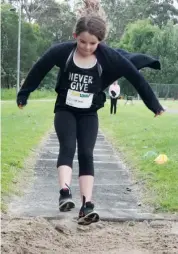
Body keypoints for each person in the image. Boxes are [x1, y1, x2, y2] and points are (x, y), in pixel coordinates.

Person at [16, 0, 164, 225]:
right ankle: (65, 194)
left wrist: (154, 105)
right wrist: (23, 94)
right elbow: (39, 68)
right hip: (65, 108)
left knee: (86, 152)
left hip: (89, 113)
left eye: (92, 43)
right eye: (82, 41)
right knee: (68, 147)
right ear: (75, 36)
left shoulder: (108, 56)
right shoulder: (63, 51)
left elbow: (135, 76)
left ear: (100, 41)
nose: (86, 47)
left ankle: (87, 206)